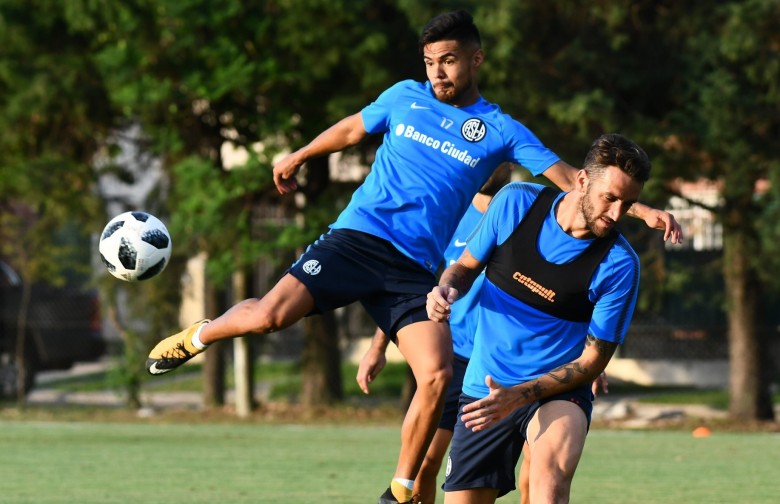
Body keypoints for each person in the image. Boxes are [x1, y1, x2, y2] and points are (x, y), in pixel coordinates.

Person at [146, 10, 679, 504]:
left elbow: (576, 182)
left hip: (412, 269)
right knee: (268, 317)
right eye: (429, 62)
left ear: (475, 59)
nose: (437, 73)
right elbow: (355, 127)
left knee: (437, 373)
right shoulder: (404, 96)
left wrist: (643, 212)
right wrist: (302, 153)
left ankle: (399, 491)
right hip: (356, 238)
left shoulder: (500, 129)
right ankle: (199, 335)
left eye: (447, 60)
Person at [358, 165, 609, 504]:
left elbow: (573, 296)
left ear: (510, 164)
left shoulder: (525, 213)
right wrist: (378, 345)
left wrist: (591, 361)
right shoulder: (449, 216)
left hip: (518, 365)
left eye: (502, 157)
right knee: (426, 463)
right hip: (457, 358)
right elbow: (413, 283)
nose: (493, 163)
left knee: (540, 471)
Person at [426, 133, 651, 503]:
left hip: (557, 393)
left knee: (548, 486)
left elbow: (592, 361)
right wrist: (447, 288)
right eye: (609, 198)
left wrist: (521, 395)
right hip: (487, 389)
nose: (615, 215)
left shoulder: (619, 265)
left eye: (628, 204)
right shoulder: (516, 204)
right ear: (582, 180)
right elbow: (464, 268)